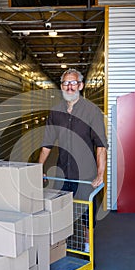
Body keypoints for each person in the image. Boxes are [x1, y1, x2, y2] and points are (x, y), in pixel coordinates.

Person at [38, 68, 108, 252]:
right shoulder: (56, 112)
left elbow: (101, 144)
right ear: (61, 86)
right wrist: (38, 168)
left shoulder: (91, 111)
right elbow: (47, 143)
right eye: (65, 83)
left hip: (85, 172)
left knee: (86, 212)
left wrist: (100, 174)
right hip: (63, 171)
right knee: (61, 209)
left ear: (81, 85)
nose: (69, 87)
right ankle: (62, 247)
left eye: (73, 83)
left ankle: (87, 245)